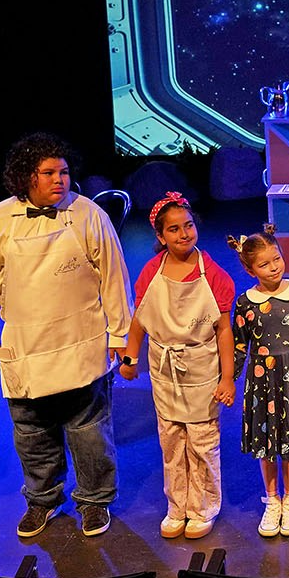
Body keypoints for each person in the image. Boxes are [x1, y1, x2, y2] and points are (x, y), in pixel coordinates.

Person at [0, 133, 132, 539]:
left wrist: (120, 335)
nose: (59, 179)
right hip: (25, 345)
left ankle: (94, 502)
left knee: (89, 430)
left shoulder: (90, 214)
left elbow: (114, 276)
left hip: (82, 340)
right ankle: (42, 499)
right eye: (48, 173)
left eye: (63, 172)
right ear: (26, 176)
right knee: (32, 431)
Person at [122, 193, 235, 540]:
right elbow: (140, 320)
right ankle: (177, 506)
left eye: (188, 226)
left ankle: (203, 507)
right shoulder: (151, 273)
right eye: (174, 229)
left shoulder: (212, 274)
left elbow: (224, 329)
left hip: (201, 366)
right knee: (171, 441)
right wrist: (129, 357)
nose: (184, 234)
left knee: (202, 441)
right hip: (164, 367)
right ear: (161, 236)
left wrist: (228, 377)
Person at [230, 227, 289, 537]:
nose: (274, 267)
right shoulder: (245, 303)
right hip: (261, 382)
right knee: (266, 447)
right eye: (265, 264)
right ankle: (272, 500)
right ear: (249, 269)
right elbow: (239, 346)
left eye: (277, 259)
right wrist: (229, 379)